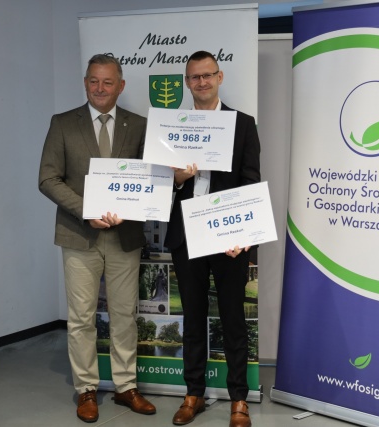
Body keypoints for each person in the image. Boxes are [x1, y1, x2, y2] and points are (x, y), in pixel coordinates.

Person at [38, 54, 156, 423]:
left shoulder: (139, 125)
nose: (100, 88)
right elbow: (48, 178)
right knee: (81, 317)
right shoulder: (62, 124)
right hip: (78, 233)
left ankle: (125, 386)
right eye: (93, 81)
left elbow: (150, 179)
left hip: (124, 234)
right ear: (85, 82)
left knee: (124, 314)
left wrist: (134, 206)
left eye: (107, 82)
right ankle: (86, 388)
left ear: (121, 86)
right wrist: (86, 209)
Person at [164, 51, 260, 427]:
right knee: (193, 317)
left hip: (227, 236)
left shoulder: (243, 124)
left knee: (233, 317)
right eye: (194, 77)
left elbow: (251, 180)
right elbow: (161, 183)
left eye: (207, 75)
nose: (201, 82)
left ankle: (239, 399)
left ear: (219, 77)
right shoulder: (174, 128)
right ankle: (194, 394)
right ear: (186, 82)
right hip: (186, 234)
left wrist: (243, 233)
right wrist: (179, 178)